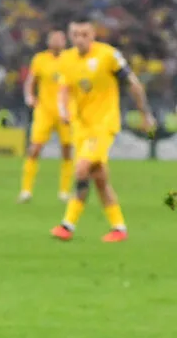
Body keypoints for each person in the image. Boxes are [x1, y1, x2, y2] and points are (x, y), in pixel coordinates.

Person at [50, 18, 155, 242]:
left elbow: (133, 83)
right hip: (81, 127)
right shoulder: (67, 59)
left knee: (82, 169)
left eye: (84, 34)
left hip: (104, 124)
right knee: (99, 178)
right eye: (75, 34)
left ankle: (67, 225)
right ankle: (119, 228)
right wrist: (63, 111)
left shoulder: (108, 55)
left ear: (93, 35)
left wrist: (145, 114)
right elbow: (64, 89)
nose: (80, 39)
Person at [19, 29, 73, 203]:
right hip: (45, 110)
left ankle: (64, 191)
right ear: (48, 42)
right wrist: (29, 96)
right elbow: (31, 80)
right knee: (34, 148)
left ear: (64, 42)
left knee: (67, 150)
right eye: (53, 39)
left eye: (59, 39)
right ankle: (26, 190)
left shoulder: (71, 58)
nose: (56, 42)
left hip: (66, 111)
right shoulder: (40, 59)